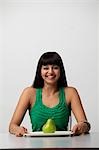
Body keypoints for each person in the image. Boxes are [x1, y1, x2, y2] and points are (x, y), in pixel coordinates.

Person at [9, 51, 91, 136]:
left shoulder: (71, 93)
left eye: (55, 68)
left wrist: (83, 126)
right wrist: (17, 129)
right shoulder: (29, 93)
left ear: (60, 70)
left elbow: (85, 124)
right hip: (35, 145)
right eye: (46, 68)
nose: (50, 72)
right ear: (40, 71)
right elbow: (12, 126)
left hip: (64, 145)